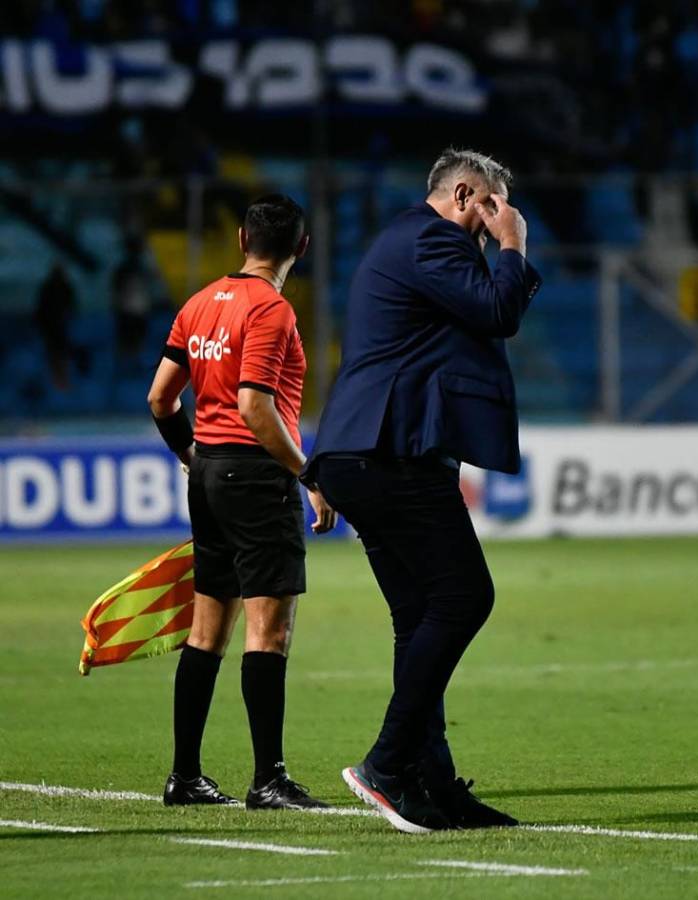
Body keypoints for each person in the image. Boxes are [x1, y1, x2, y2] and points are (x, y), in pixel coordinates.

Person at [303, 148, 540, 833]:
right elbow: (499, 311)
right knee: (466, 596)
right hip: (388, 454)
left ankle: (433, 787)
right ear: (466, 195)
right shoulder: (432, 238)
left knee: (419, 618)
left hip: (368, 454)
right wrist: (514, 246)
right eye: (490, 210)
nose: (492, 227)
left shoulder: (407, 239)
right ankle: (386, 763)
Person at [146, 194, 337, 810]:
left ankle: (184, 776)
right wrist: (307, 474)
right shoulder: (273, 310)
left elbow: (160, 400)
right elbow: (256, 405)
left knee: (208, 628)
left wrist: (192, 456)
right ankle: (268, 778)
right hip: (256, 476)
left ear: (240, 240)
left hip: (209, 471)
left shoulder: (198, 303)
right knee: (269, 628)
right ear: (300, 249)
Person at [35, 262, 76, 390]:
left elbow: (40, 308)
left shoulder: (48, 287)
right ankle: (60, 381)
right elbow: (72, 308)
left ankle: (58, 381)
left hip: (53, 326)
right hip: (59, 326)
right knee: (59, 355)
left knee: (55, 355)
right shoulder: (65, 286)